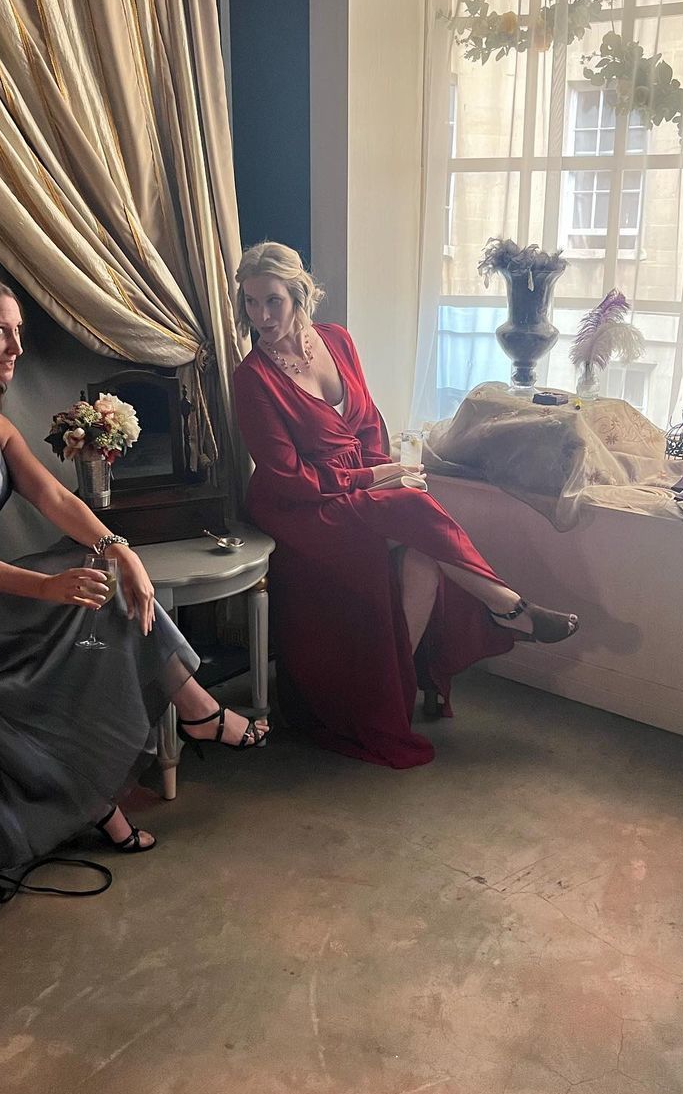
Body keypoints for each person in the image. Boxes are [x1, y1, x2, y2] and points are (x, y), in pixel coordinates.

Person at [0, 273, 267, 872]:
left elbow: (54, 497)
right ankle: (192, 719)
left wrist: (121, 550)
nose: (16, 347)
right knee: (76, 595)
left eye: (17, 331)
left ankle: (103, 791)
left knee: (98, 580)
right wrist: (47, 587)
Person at [231, 242, 578, 770]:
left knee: (421, 554)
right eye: (251, 303)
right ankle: (509, 607)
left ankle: (393, 694)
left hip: (351, 486)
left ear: (299, 295)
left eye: (272, 301)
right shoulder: (252, 377)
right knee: (415, 511)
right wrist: (377, 478)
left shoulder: (337, 340)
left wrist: (386, 476)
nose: (261, 316)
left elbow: (369, 426)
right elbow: (288, 477)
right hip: (298, 507)